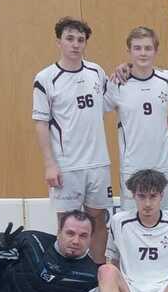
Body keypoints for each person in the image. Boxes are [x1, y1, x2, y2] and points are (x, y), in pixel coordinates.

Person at [32, 17, 111, 263]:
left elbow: (116, 99)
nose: (76, 44)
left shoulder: (96, 72)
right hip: (67, 166)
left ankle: (97, 273)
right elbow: (40, 123)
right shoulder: (45, 78)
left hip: (98, 163)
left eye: (80, 40)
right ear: (59, 42)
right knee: (67, 223)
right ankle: (65, 273)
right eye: (70, 39)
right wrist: (50, 164)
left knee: (98, 219)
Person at [105, 26, 168, 211]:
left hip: (165, 164)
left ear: (156, 51)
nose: (143, 53)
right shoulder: (117, 83)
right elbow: (94, 112)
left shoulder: (167, 81)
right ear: (129, 51)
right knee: (131, 220)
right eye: (137, 48)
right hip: (133, 165)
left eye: (148, 48)